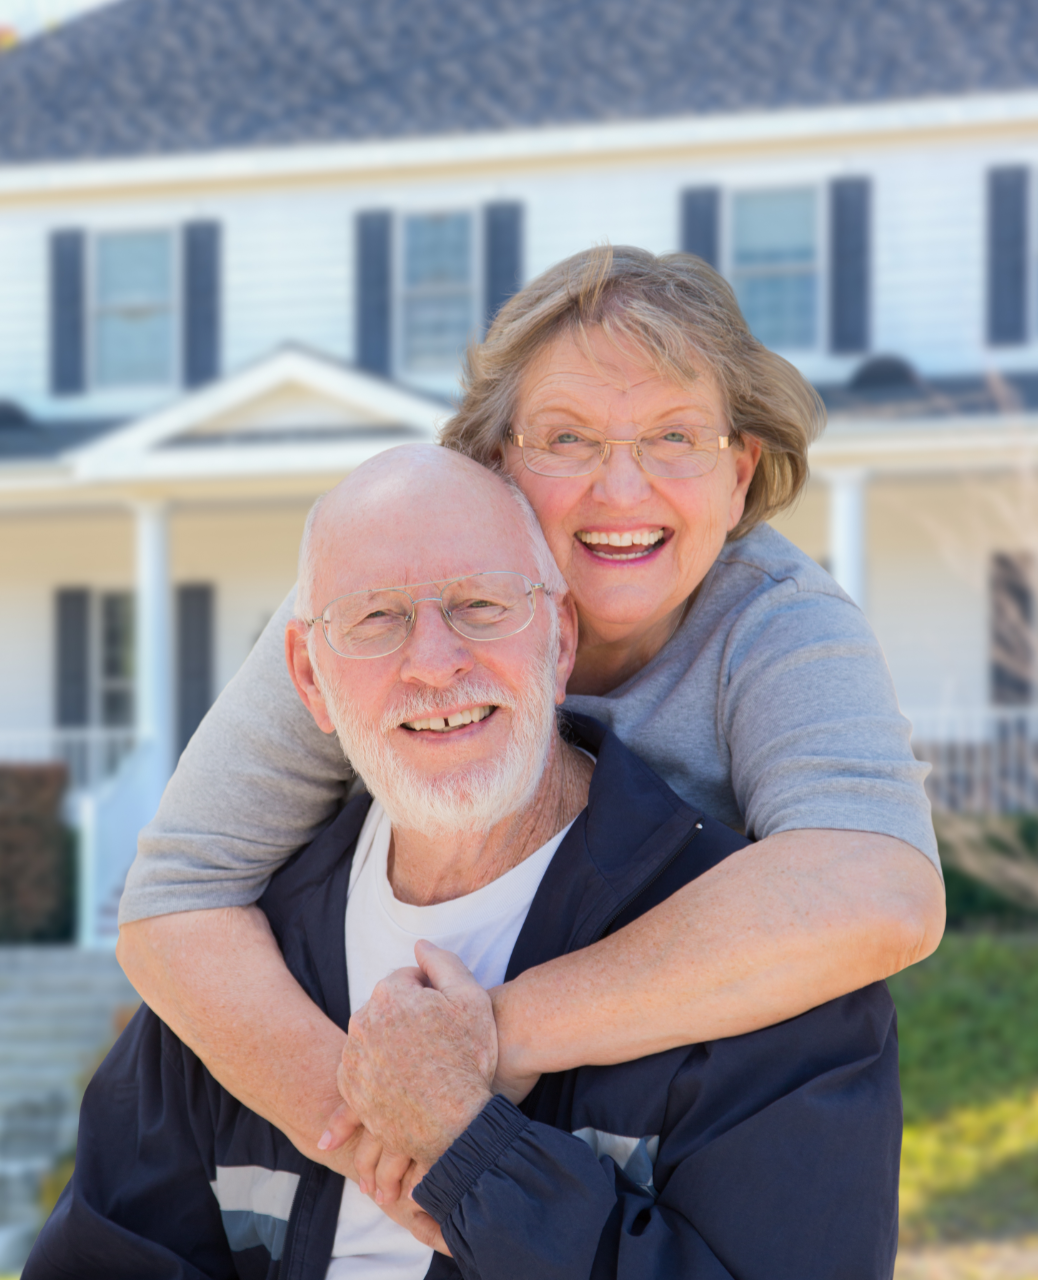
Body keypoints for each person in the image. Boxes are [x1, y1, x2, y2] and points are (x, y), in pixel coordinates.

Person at [114, 246, 942, 1204]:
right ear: (493, 462)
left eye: (675, 437)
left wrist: (489, 1039)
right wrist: (376, 1142)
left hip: (669, 1133)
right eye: (568, 438)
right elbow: (175, 899)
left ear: (740, 472)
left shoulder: (778, 622)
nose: (622, 492)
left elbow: (882, 889)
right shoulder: (367, 608)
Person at [25, 447, 901, 1280]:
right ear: (309, 678)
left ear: (560, 640)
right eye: (376, 619)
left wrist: (471, 1152)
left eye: (483, 605)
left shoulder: (763, 969)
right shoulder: (244, 977)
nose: (435, 662)